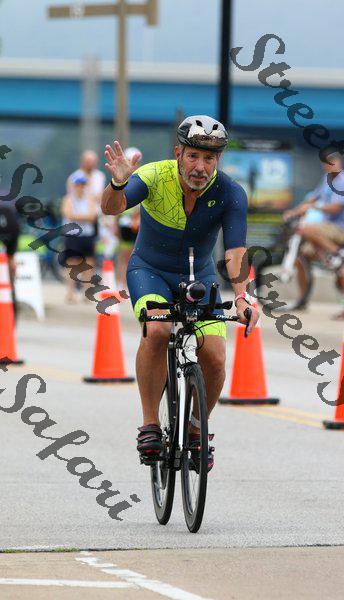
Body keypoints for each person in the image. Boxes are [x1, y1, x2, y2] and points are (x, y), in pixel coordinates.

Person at [101, 115, 259, 471]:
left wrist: (243, 297)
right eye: (193, 156)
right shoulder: (154, 177)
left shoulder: (230, 193)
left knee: (215, 356)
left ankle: (197, 428)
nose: (200, 166)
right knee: (157, 330)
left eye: (209, 158)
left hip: (199, 277)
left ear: (218, 160)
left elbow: (235, 251)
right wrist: (118, 183)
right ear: (178, 154)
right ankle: (150, 424)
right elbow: (110, 208)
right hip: (150, 271)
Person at [283, 150, 344, 269]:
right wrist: (294, 212)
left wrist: (314, 207)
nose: (330, 165)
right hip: (326, 227)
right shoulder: (326, 179)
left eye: (333, 161)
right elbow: (313, 198)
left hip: (342, 229)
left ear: (339, 163)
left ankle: (339, 253)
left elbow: (336, 208)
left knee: (306, 229)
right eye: (327, 162)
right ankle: (326, 260)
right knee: (302, 256)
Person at [61, 174, 97, 303]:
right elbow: (68, 214)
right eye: (78, 185)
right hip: (73, 236)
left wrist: (77, 217)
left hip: (86, 235)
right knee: (72, 264)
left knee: (89, 264)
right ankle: (70, 293)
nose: (80, 187)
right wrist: (84, 217)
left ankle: (87, 293)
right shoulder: (68, 199)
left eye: (82, 185)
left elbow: (92, 217)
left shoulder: (90, 198)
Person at [116, 147, 142, 287]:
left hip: (137, 223)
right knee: (124, 255)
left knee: (135, 256)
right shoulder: (121, 177)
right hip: (125, 223)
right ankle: (122, 283)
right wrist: (115, 225)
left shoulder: (141, 177)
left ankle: (131, 284)